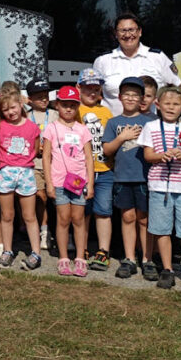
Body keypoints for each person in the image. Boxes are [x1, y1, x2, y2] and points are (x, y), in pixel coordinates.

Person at [136, 86, 181, 294]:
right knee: (162, 230)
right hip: (159, 186)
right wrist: (163, 155)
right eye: (167, 104)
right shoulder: (150, 127)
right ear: (157, 105)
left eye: (176, 104)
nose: (171, 107)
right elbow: (148, 156)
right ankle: (167, 270)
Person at [102, 77, 156, 280]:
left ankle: (147, 259)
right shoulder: (113, 122)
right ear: (120, 97)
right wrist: (122, 137)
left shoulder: (150, 122)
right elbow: (107, 150)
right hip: (122, 178)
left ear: (142, 98)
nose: (131, 98)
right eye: (127, 94)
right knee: (127, 218)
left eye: (135, 95)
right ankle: (129, 259)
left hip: (145, 178)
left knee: (144, 219)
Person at [42, 85, 94, 278]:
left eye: (73, 105)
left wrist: (91, 184)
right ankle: (63, 257)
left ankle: (80, 258)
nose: (69, 109)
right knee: (63, 219)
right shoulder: (51, 128)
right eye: (65, 105)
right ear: (57, 105)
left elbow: (89, 158)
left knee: (79, 219)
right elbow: (46, 157)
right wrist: (48, 183)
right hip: (59, 181)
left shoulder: (83, 130)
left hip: (79, 182)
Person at [0, 90, 42, 270]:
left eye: (13, 107)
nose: (10, 112)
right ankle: (7, 250)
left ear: (21, 105)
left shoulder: (32, 127)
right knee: (7, 215)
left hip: (26, 172)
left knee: (29, 215)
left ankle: (36, 252)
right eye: (5, 110)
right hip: (5, 172)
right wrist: (5, 162)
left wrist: (22, 161)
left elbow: (36, 149)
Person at [93, 13, 181, 114]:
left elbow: (177, 87)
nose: (127, 35)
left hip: (149, 126)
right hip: (112, 125)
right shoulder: (102, 61)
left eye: (131, 30)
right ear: (116, 34)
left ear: (140, 32)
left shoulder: (158, 57)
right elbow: (91, 93)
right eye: (123, 30)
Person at [77, 68, 115, 272]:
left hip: (105, 169)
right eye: (87, 88)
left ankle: (103, 251)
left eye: (96, 89)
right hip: (80, 171)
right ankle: (81, 248)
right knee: (82, 212)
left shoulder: (106, 112)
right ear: (79, 88)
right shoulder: (74, 111)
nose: (92, 92)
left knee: (103, 211)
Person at [25, 78, 57, 253]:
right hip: (35, 163)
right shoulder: (26, 116)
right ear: (30, 99)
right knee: (40, 197)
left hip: (56, 164)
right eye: (39, 97)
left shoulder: (55, 114)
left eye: (46, 96)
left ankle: (62, 234)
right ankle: (43, 230)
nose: (44, 100)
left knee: (58, 199)